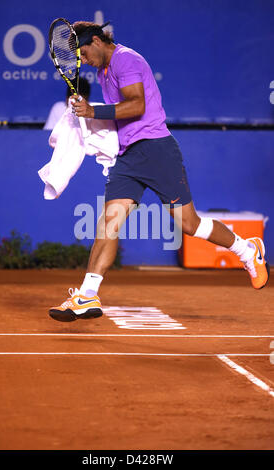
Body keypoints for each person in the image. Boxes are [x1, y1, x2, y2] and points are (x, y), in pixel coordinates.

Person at [49, 21, 270, 322]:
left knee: (189, 224)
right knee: (108, 223)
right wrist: (90, 117)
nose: (83, 61)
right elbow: (119, 115)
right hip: (128, 158)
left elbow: (137, 105)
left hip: (156, 150)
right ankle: (88, 295)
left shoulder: (127, 59)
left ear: (98, 41)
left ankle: (247, 250)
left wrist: (94, 111)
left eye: (84, 53)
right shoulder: (103, 72)